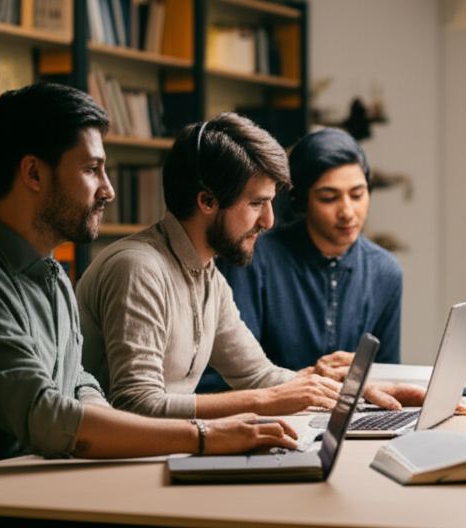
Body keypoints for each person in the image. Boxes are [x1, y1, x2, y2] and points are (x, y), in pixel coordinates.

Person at [0, 83, 296, 471]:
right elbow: (46, 416)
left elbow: (79, 385)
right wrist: (203, 436)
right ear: (33, 172)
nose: (108, 190)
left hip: (39, 482)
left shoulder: (49, 272)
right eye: (92, 169)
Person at [77, 113, 420, 420]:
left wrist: (358, 392)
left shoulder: (208, 275)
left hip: (157, 454)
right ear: (207, 201)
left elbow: (259, 376)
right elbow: (135, 403)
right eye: (257, 203)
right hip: (107, 471)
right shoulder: (140, 269)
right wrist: (268, 400)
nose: (269, 221)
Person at [200, 128, 402, 393]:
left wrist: (367, 375)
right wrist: (306, 381)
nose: (347, 212)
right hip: (267, 419)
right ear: (300, 200)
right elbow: (227, 375)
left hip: (350, 422)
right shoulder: (254, 258)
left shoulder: (386, 271)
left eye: (357, 194)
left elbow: (388, 373)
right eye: (329, 197)